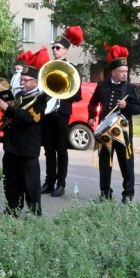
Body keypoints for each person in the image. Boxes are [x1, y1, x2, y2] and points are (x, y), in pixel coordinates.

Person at [88, 45, 140, 203]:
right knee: (105, 164)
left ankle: (128, 193)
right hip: (105, 132)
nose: (125, 74)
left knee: (126, 164)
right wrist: (92, 116)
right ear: (113, 72)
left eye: (126, 71)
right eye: (122, 71)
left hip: (123, 132)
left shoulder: (130, 88)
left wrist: (127, 107)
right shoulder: (102, 85)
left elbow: (139, 108)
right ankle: (105, 193)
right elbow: (93, 103)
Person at [0, 63, 48, 216]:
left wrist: (8, 109)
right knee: (11, 182)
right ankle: (12, 210)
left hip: (27, 148)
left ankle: (34, 214)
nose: (22, 83)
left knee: (30, 184)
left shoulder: (41, 98)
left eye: (26, 80)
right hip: (12, 146)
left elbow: (29, 118)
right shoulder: (19, 95)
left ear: (35, 82)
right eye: (22, 79)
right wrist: (9, 107)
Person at [41, 27, 84, 197]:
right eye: (53, 47)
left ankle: (61, 183)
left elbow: (78, 95)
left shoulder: (71, 69)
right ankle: (49, 182)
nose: (54, 50)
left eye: (57, 48)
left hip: (62, 114)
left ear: (65, 50)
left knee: (61, 150)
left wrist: (64, 91)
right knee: (48, 150)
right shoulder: (48, 68)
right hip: (48, 114)